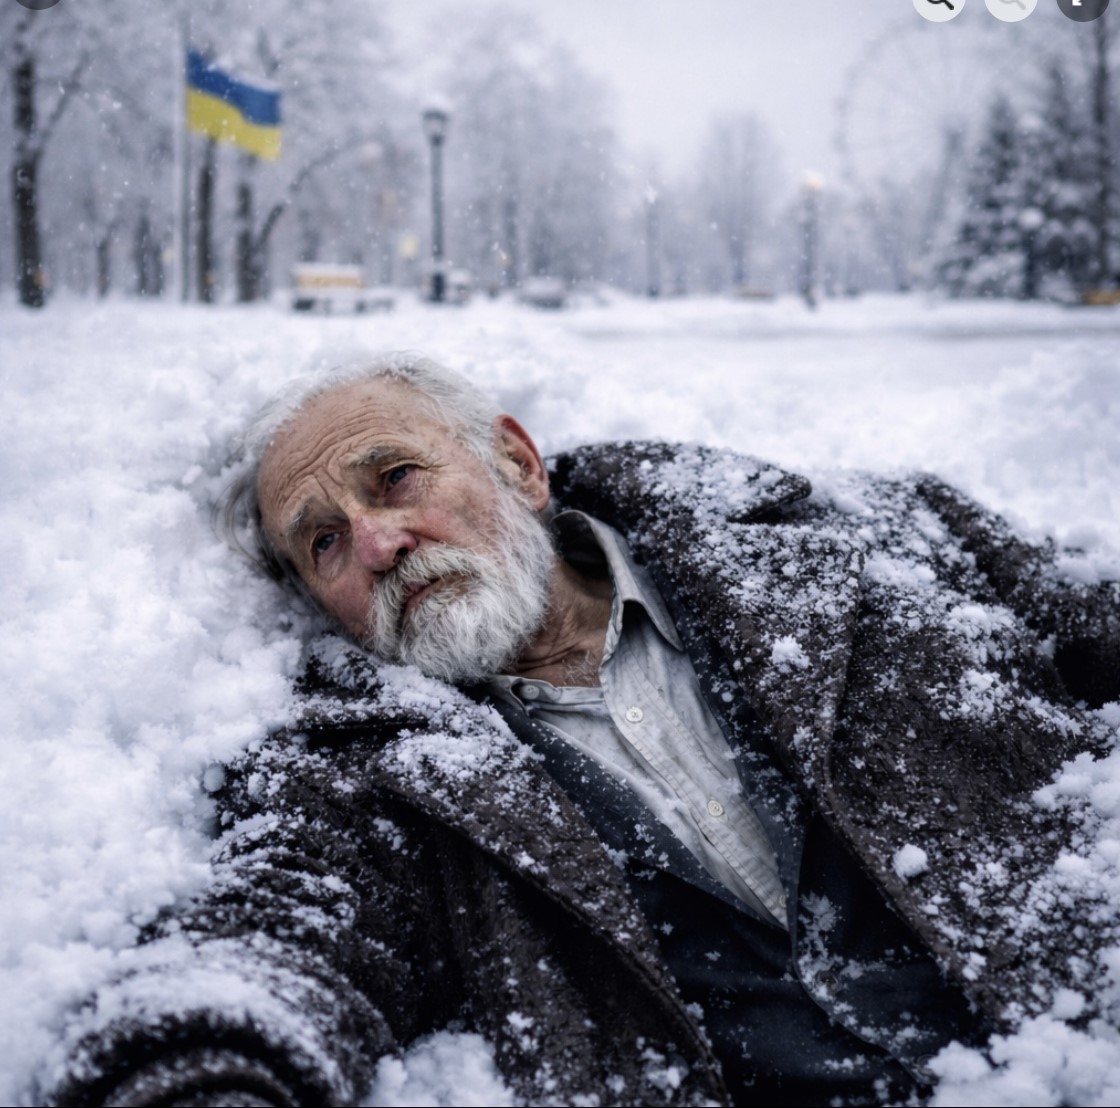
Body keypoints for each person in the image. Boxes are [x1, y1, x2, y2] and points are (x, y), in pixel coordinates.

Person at [47, 354, 1120, 1107]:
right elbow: (264, 950)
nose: (377, 541)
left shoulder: (864, 535)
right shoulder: (369, 775)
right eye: (323, 541)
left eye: (396, 478)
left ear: (516, 461)